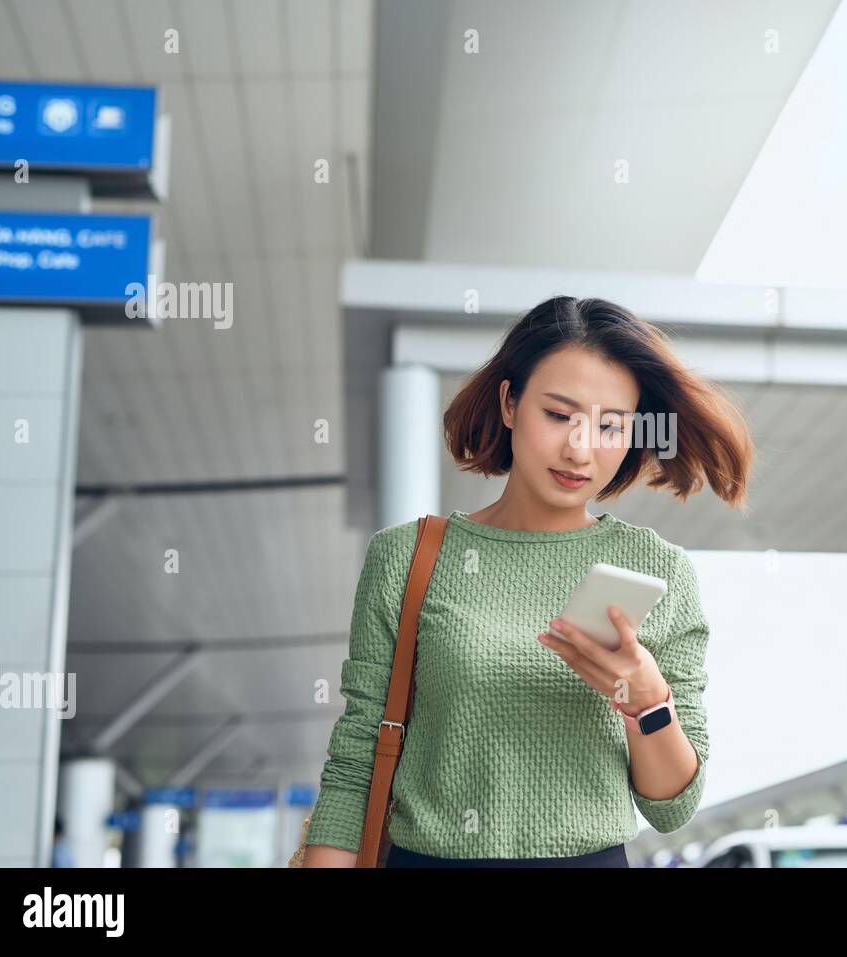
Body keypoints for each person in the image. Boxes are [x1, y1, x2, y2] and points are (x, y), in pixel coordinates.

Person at [303, 295, 754, 867]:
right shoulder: (407, 557)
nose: (579, 448)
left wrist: (646, 700)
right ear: (510, 402)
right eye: (559, 414)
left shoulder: (657, 569)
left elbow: (671, 806)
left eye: (610, 425)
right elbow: (356, 759)